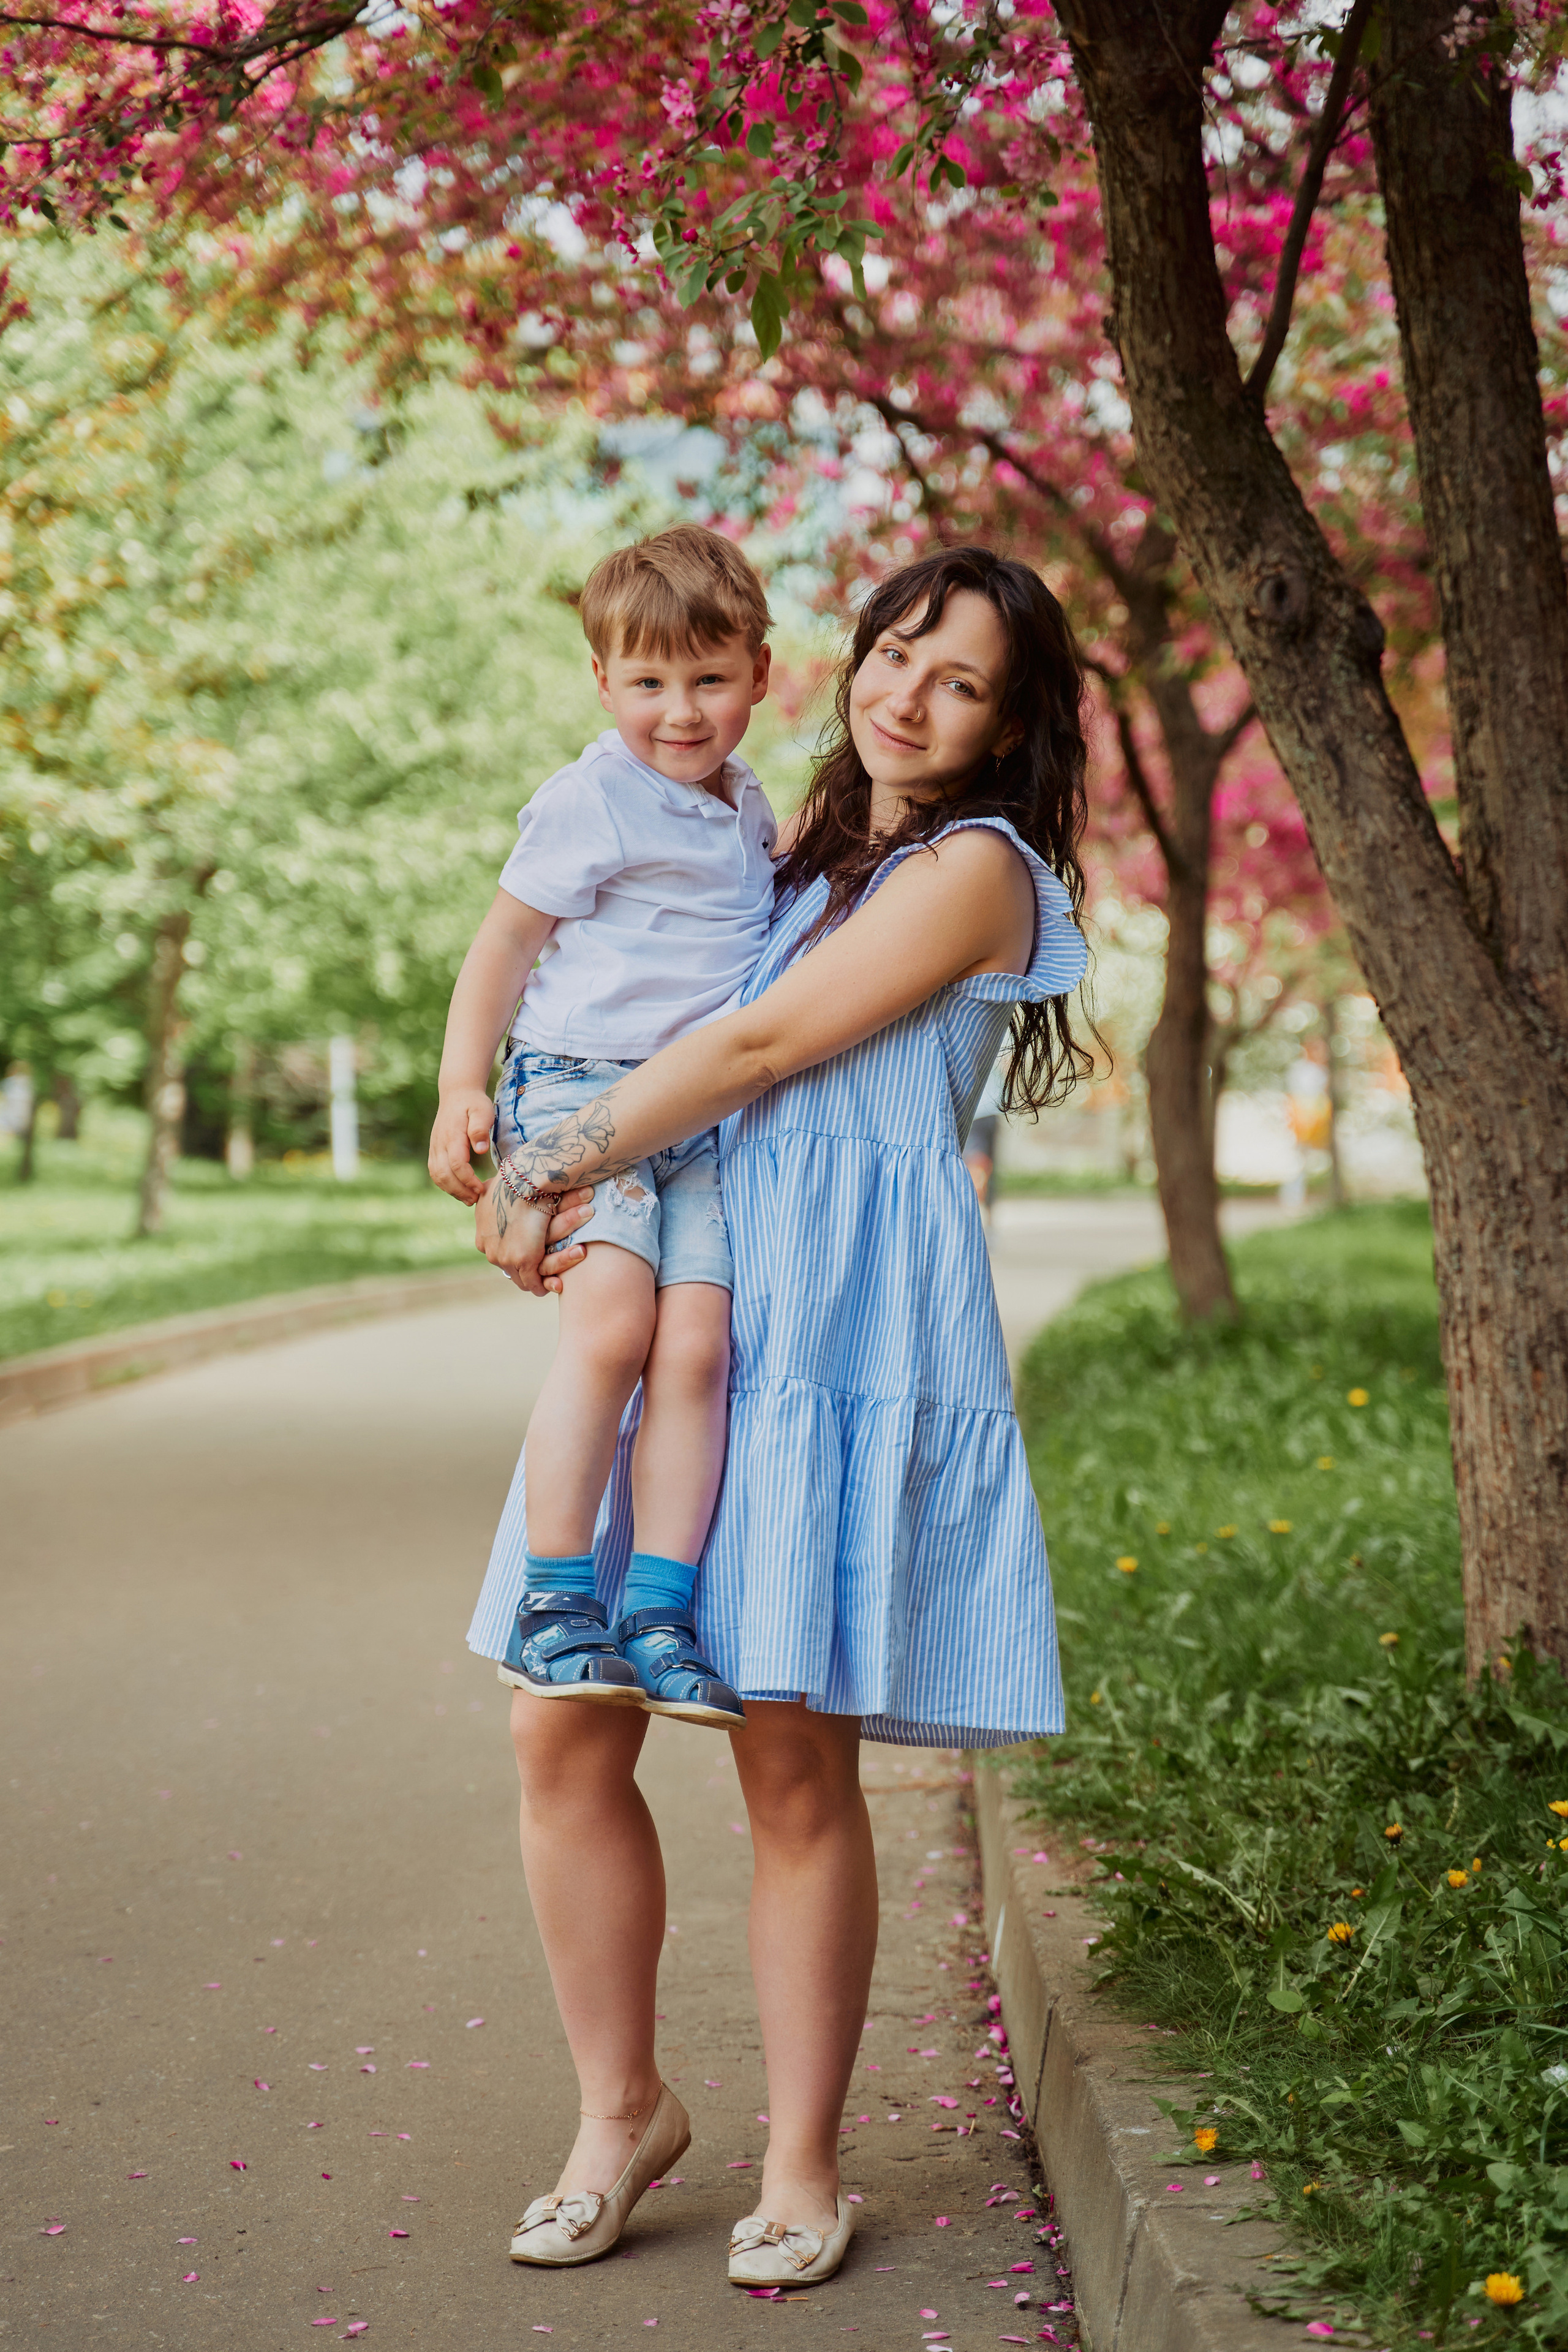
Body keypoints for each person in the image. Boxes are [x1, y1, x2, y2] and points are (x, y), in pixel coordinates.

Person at [458, 545, 1092, 2291]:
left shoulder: (977, 869)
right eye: (896, 654)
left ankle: (805, 2163)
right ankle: (621, 2114)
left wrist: (543, 1164)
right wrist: (561, 1162)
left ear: (1010, 724)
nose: (909, 696)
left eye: (960, 681)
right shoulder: (783, 850)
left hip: (829, 1337)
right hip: (696, 1308)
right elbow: (600, 980)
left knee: (791, 1756)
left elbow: (748, 1056)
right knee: (559, 1725)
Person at [429, 522, 778, 1733]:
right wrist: (460, 1086)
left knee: (699, 1352)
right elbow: (503, 945)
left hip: (700, 1112)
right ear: (601, 681)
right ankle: (554, 1603)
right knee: (615, 1327)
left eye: (708, 679)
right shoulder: (592, 799)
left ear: (760, 674)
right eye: (647, 682)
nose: (679, 712)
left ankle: (660, 1616)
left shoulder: (748, 806)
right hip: (582, 1092)